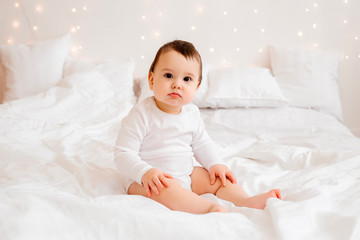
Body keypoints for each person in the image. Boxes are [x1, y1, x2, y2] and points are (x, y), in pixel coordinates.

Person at [114, 40, 281, 214]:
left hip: (185, 173)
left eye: (187, 79)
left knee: (218, 179)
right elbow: (123, 154)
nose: (177, 84)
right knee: (167, 188)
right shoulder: (141, 114)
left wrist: (215, 163)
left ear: (196, 87)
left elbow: (202, 143)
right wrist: (145, 173)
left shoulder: (191, 113)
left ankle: (246, 201)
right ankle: (208, 209)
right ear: (151, 79)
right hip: (146, 181)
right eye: (168, 76)